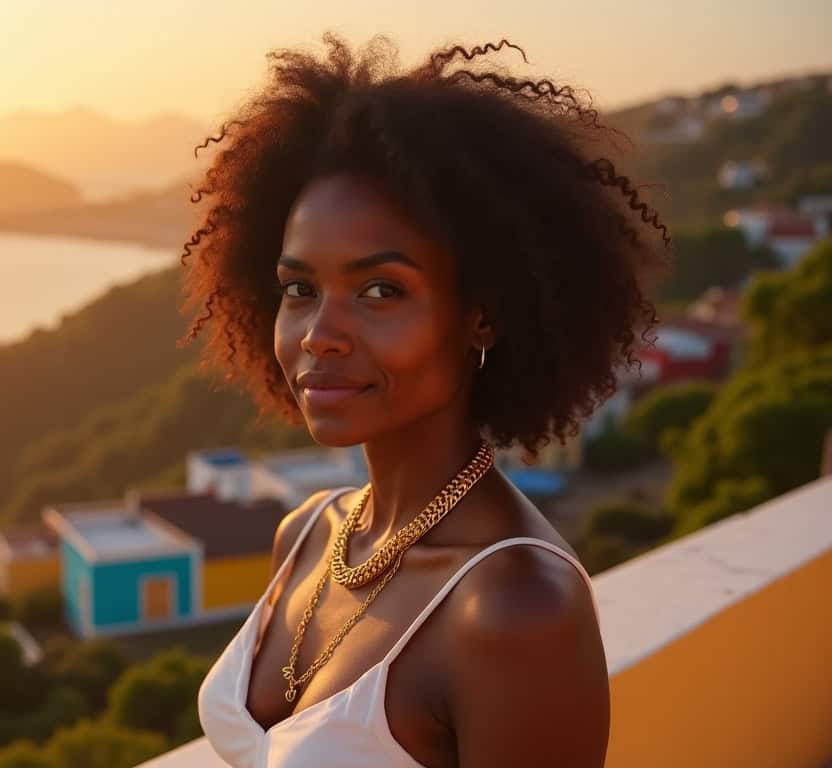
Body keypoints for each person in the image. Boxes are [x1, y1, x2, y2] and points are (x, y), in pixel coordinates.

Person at [182, 33, 669, 767]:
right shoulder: (308, 534)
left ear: (483, 313)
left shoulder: (514, 607)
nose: (320, 334)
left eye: (381, 290)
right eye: (299, 289)